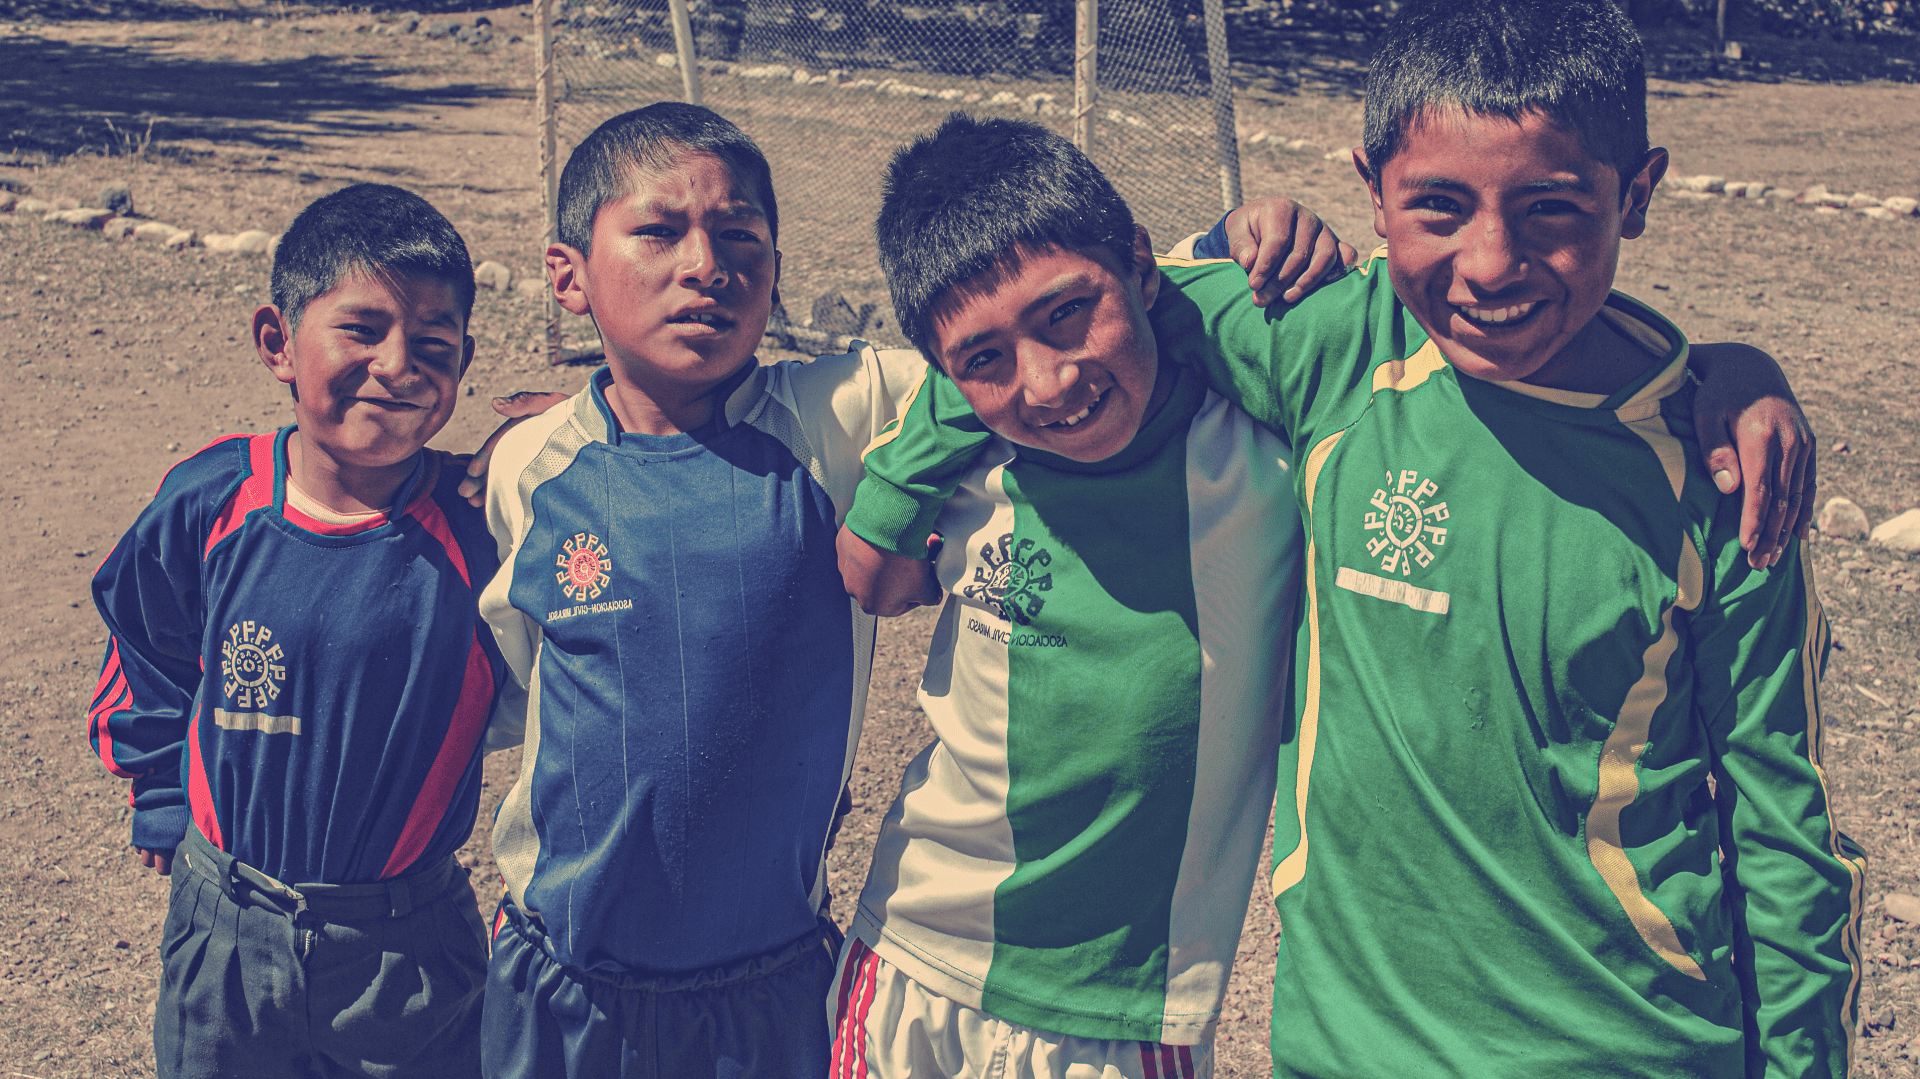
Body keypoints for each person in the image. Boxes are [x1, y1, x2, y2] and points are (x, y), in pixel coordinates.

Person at [832, 18, 1850, 1070]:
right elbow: (1047, 315)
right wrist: (1235, 232)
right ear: (1373, 192)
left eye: (1551, 209)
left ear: (1635, 195)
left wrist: (1734, 368)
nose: (1492, 262)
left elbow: (1784, 833)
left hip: (1628, 1046)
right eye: (1440, 207)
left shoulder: (1720, 471)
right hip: (1344, 1044)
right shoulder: (1338, 348)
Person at [472, 101, 932, 1079]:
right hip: (563, 984)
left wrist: (1218, 252)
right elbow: (527, 681)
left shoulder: (840, 423)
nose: (706, 266)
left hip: (765, 993)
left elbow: (1015, 329)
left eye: (740, 238)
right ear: (569, 276)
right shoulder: (530, 467)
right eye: (658, 231)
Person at [86, 182, 514, 1079]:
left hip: (407, 947)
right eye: (362, 330)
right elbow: (144, 637)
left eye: (433, 344)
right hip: (225, 930)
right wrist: (160, 791)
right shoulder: (212, 501)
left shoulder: (486, 525)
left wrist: (573, 418)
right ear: (278, 341)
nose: (400, 365)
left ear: (465, 361)